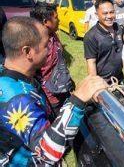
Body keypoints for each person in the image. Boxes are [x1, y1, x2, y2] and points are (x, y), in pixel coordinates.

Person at [0, 16, 107, 166]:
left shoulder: (9, 75)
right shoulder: (17, 99)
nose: (50, 49)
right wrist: (77, 100)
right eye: (45, 45)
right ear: (27, 52)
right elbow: (47, 152)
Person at [30, 2, 74, 115]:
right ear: (46, 22)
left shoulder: (53, 35)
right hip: (51, 99)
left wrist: (68, 80)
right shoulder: (35, 44)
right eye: (56, 18)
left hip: (63, 90)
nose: (58, 20)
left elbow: (59, 61)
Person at [84, 0, 124, 84]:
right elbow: (91, 62)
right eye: (105, 13)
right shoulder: (91, 36)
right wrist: (96, 87)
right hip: (103, 82)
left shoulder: (118, 28)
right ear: (97, 15)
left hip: (119, 78)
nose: (109, 16)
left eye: (111, 12)